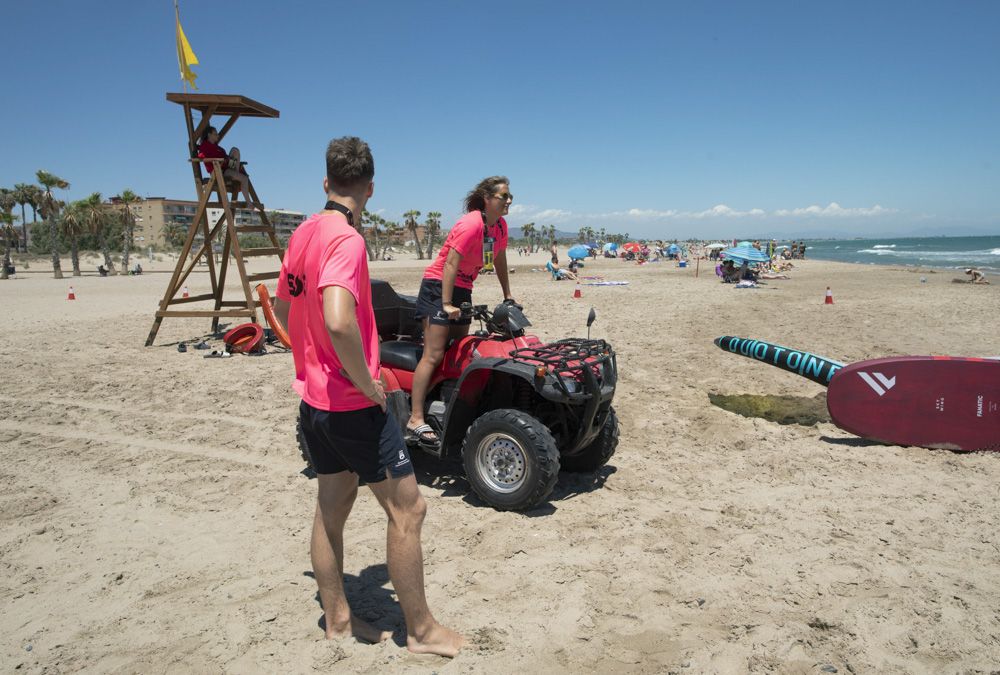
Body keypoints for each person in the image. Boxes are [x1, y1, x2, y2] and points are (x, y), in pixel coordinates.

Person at [272, 136, 464, 658]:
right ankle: (421, 632)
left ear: (326, 181)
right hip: (353, 406)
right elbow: (338, 319)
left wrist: (306, 359)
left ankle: (337, 620)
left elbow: (283, 309)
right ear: (371, 187)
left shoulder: (304, 232)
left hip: (313, 402)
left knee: (331, 507)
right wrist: (363, 381)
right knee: (409, 510)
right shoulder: (347, 240)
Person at [407, 176, 516, 444]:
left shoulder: (499, 227)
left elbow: (499, 259)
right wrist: (445, 304)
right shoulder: (470, 224)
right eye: (504, 196)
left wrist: (508, 295)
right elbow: (450, 264)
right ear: (488, 199)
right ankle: (416, 418)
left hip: (464, 287)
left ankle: (446, 406)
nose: (509, 201)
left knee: (458, 349)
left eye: (510, 196)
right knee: (433, 354)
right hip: (438, 286)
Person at [197, 126, 256, 207]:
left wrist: (227, 159)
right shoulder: (205, 146)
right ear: (209, 135)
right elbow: (201, 158)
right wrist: (217, 160)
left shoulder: (217, 147)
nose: (217, 135)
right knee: (244, 178)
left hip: (228, 168)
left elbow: (226, 156)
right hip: (218, 172)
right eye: (215, 134)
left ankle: (248, 201)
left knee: (235, 150)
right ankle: (249, 203)